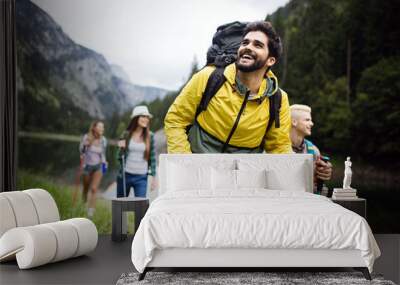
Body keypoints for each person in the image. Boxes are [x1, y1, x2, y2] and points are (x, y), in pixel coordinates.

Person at [164, 21, 292, 154]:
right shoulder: (208, 77)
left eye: (258, 45)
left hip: (243, 173)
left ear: (270, 60)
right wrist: (185, 162)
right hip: (198, 170)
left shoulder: (278, 98)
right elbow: (176, 119)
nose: (248, 47)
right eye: (245, 42)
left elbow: (279, 146)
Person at [116, 105, 157, 198]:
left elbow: (153, 158)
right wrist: (120, 149)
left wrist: (154, 179)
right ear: (136, 118)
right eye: (143, 116)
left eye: (147, 117)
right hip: (125, 175)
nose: (146, 119)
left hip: (141, 177)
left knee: (141, 207)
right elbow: (118, 156)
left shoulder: (150, 136)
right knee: (121, 206)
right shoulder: (126, 134)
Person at [289, 104, 332, 186]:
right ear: (294, 122)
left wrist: (323, 172)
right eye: (307, 120)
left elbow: (317, 185)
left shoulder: (313, 150)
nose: (312, 124)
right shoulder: (276, 148)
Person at [79, 120, 108, 217]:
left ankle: (90, 212)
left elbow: (103, 154)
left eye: (103, 127)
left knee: (94, 189)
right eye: (100, 127)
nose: (102, 129)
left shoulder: (103, 140)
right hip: (87, 166)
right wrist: (85, 145)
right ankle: (83, 204)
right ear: (94, 128)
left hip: (98, 166)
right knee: (86, 188)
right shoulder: (87, 137)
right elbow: (82, 152)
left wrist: (104, 166)